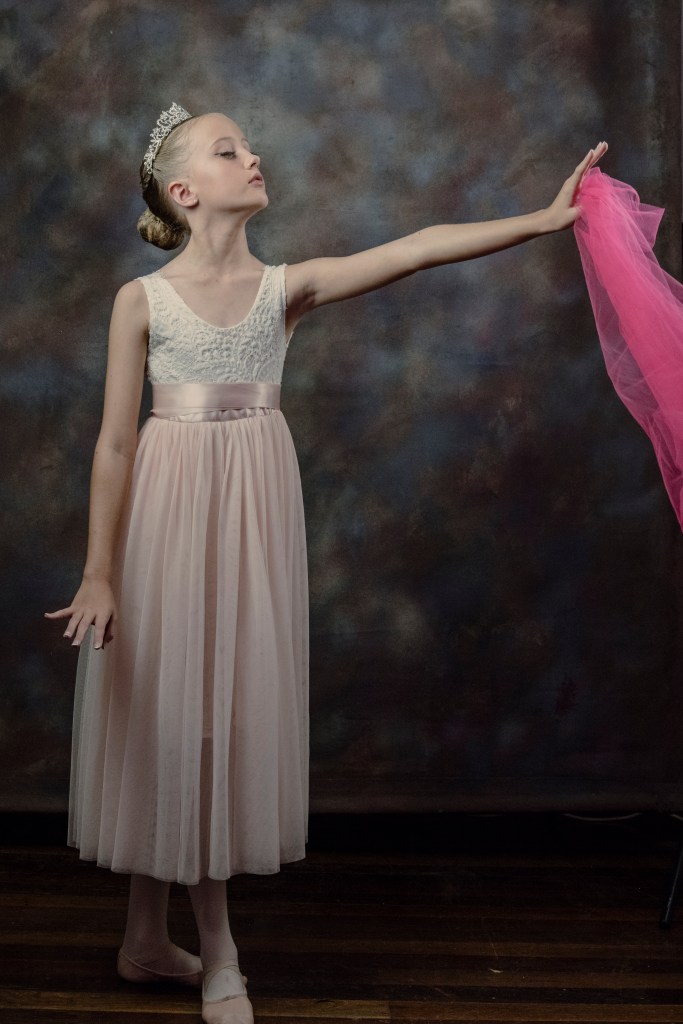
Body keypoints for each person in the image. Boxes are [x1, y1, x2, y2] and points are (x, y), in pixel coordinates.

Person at [45, 102, 607, 1024]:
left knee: (216, 711)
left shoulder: (286, 289)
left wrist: (541, 221)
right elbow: (113, 444)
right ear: (185, 191)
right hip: (166, 520)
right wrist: (100, 570)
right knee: (169, 714)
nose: (252, 154)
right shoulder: (139, 301)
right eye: (229, 149)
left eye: (247, 144)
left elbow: (415, 248)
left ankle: (154, 940)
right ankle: (203, 949)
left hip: (249, 517)